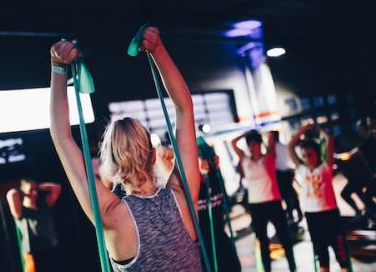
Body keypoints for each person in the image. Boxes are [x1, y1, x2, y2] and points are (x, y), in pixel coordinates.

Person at [49, 27, 203, 271]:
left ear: (110, 168)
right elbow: (184, 108)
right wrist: (157, 49)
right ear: (154, 156)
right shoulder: (182, 193)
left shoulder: (111, 215)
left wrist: (58, 68)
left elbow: (62, 138)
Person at [231, 130, 296, 272]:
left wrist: (258, 132)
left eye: (255, 144)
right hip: (256, 206)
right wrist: (247, 133)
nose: (252, 147)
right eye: (250, 145)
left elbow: (272, 135)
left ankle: (293, 267)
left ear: (260, 144)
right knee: (263, 241)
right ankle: (267, 269)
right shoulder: (245, 160)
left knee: (284, 237)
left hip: (273, 203)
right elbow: (233, 143)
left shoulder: (269, 157)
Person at [288, 124, 349, 272]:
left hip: (330, 213)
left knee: (340, 250)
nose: (307, 158)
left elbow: (329, 140)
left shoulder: (325, 168)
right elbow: (291, 146)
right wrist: (302, 130)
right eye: (304, 156)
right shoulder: (302, 170)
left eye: (310, 155)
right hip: (312, 216)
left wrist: (317, 128)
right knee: (321, 253)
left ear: (317, 154)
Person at [197, 138, 241, 272]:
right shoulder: (188, 185)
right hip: (203, 246)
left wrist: (213, 161)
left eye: (206, 157)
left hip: (221, 238)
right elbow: (164, 154)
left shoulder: (215, 176)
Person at [6, 179, 62, 272]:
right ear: (23, 192)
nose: (34, 193)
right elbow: (11, 194)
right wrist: (23, 191)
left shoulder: (44, 205)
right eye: (31, 190)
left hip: (50, 248)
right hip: (33, 252)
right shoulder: (20, 211)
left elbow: (57, 188)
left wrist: (39, 187)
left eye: (36, 190)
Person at [272, 130, 303, 223]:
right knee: (292, 193)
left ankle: (291, 214)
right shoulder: (284, 147)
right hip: (287, 172)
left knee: (285, 195)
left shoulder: (272, 149)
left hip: (280, 174)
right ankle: (299, 211)